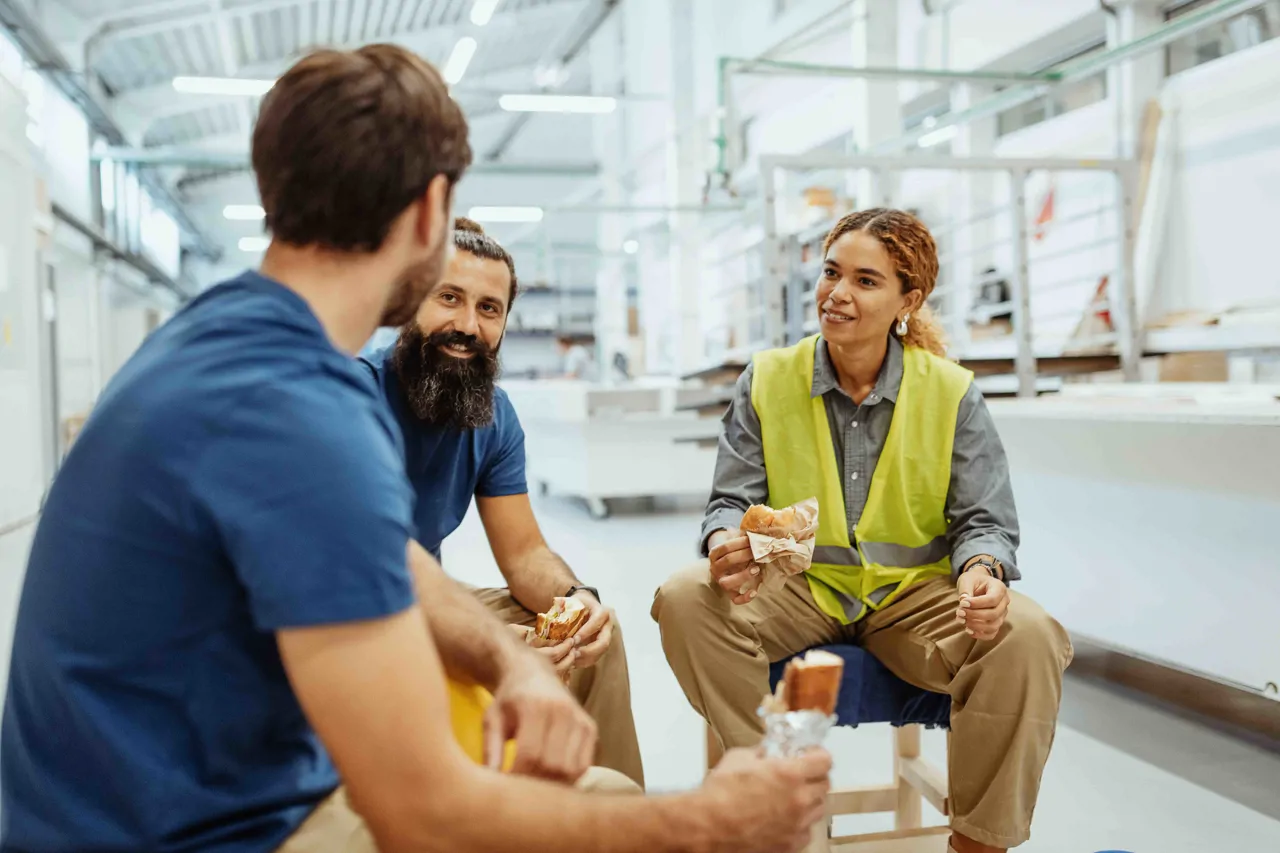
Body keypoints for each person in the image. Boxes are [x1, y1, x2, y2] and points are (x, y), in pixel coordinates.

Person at [0, 45, 831, 853]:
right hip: (199, 829)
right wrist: (710, 824)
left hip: (135, 797)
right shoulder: (308, 410)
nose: (471, 322)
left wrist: (510, 659)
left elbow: (397, 564)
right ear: (433, 212)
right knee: (614, 809)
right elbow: (425, 817)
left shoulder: (222, 344)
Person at [652, 209, 1073, 853]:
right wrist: (724, 546)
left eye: (865, 281)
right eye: (830, 273)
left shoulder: (952, 394)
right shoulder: (766, 380)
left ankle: (980, 841)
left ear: (908, 300)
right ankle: (774, 797)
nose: (838, 293)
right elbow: (729, 502)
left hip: (913, 598)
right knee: (684, 597)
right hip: (798, 590)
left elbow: (983, 520)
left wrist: (983, 574)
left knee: (1030, 635)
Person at [361, 217, 644, 787]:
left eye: (489, 309)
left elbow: (524, 555)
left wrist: (577, 600)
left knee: (592, 640)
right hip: (355, 609)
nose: (467, 325)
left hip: (432, 597)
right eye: (449, 298)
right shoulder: (353, 396)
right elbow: (349, 578)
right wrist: (489, 646)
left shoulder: (493, 413)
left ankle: (606, 816)